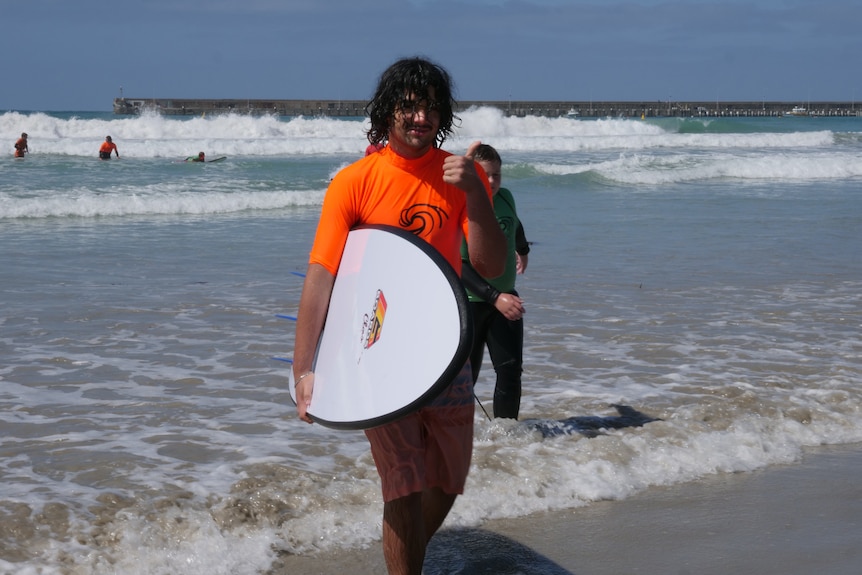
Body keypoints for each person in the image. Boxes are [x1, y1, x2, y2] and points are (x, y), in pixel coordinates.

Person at [292, 57, 506, 575]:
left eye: (431, 107)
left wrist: (476, 193)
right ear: (388, 110)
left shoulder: (460, 176)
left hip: (442, 342)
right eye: (409, 106)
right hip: (375, 346)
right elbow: (321, 278)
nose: (420, 117)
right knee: (404, 483)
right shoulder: (354, 182)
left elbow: (490, 266)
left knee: (449, 478)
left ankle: (404, 551)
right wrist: (303, 369)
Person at [460, 144, 530, 420]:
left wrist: (523, 250)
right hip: (471, 303)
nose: (491, 182)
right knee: (467, 377)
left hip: (505, 299)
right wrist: (495, 298)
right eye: (484, 175)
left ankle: (506, 437)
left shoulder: (506, 198)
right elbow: (458, 264)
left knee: (511, 370)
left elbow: (515, 223)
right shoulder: (462, 205)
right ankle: (459, 437)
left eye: (496, 175)